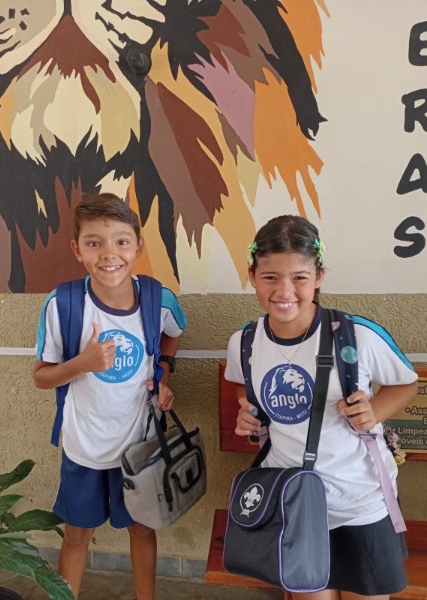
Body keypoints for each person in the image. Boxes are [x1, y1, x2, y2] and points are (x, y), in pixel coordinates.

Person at [225, 215, 418, 600]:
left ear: (319, 276)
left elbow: (406, 383)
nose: (284, 290)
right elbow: (239, 384)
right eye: (270, 277)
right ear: (252, 276)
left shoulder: (356, 336)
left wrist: (375, 410)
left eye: (299, 277)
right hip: (293, 502)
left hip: (359, 500)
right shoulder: (244, 342)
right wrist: (248, 411)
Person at [33, 193, 187, 600]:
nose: (109, 254)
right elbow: (42, 377)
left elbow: (173, 335)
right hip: (83, 446)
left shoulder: (157, 299)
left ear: (139, 245)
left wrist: (163, 373)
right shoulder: (63, 305)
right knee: (77, 534)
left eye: (121, 241)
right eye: (94, 242)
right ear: (77, 249)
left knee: (142, 528)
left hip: (139, 447)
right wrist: (81, 364)